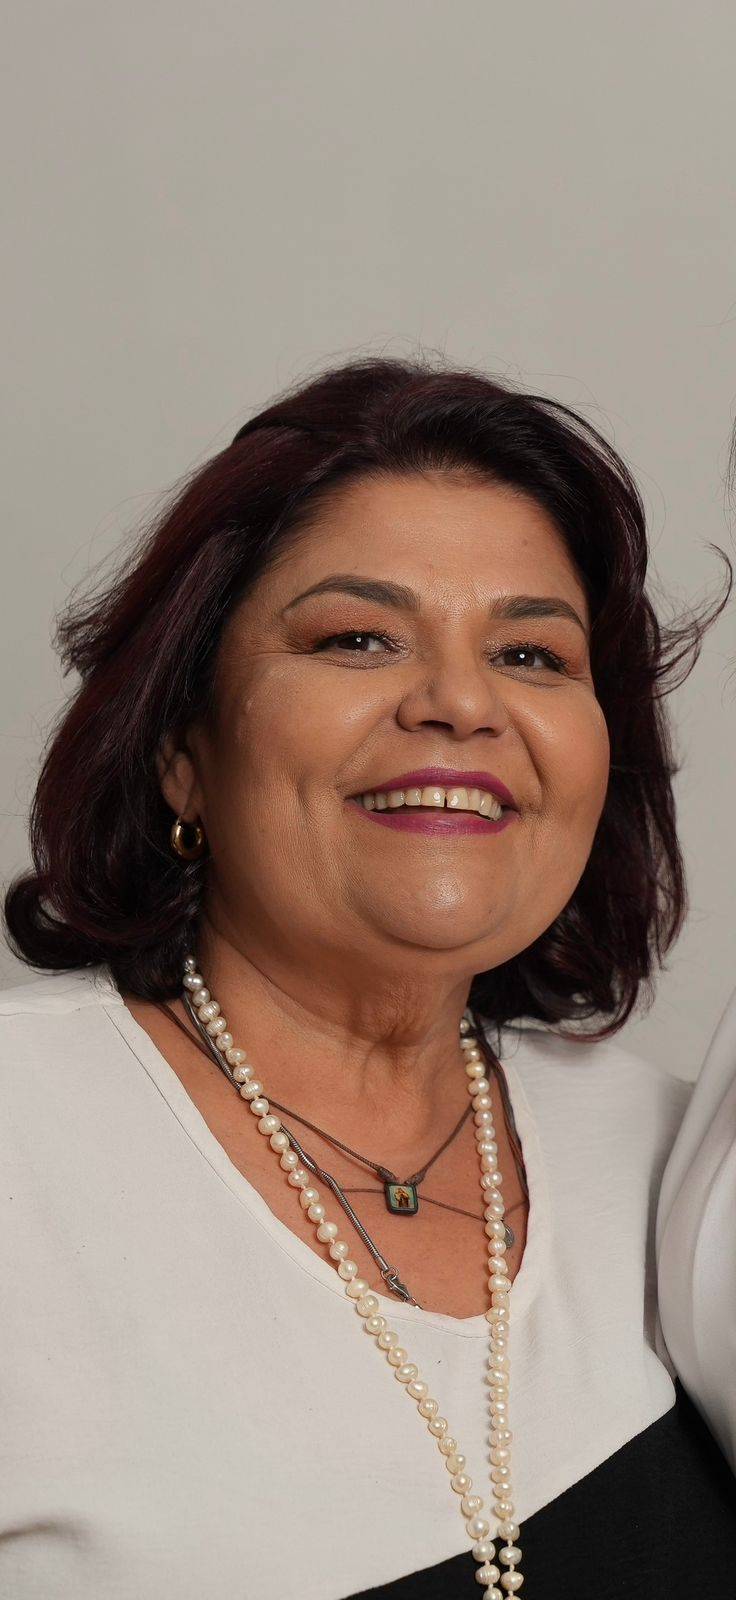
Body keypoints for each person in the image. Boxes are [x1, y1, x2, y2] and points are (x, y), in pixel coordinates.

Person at [2, 356, 734, 1599]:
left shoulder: (681, 1172)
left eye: (532, 654)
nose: (460, 702)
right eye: (357, 638)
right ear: (184, 750)